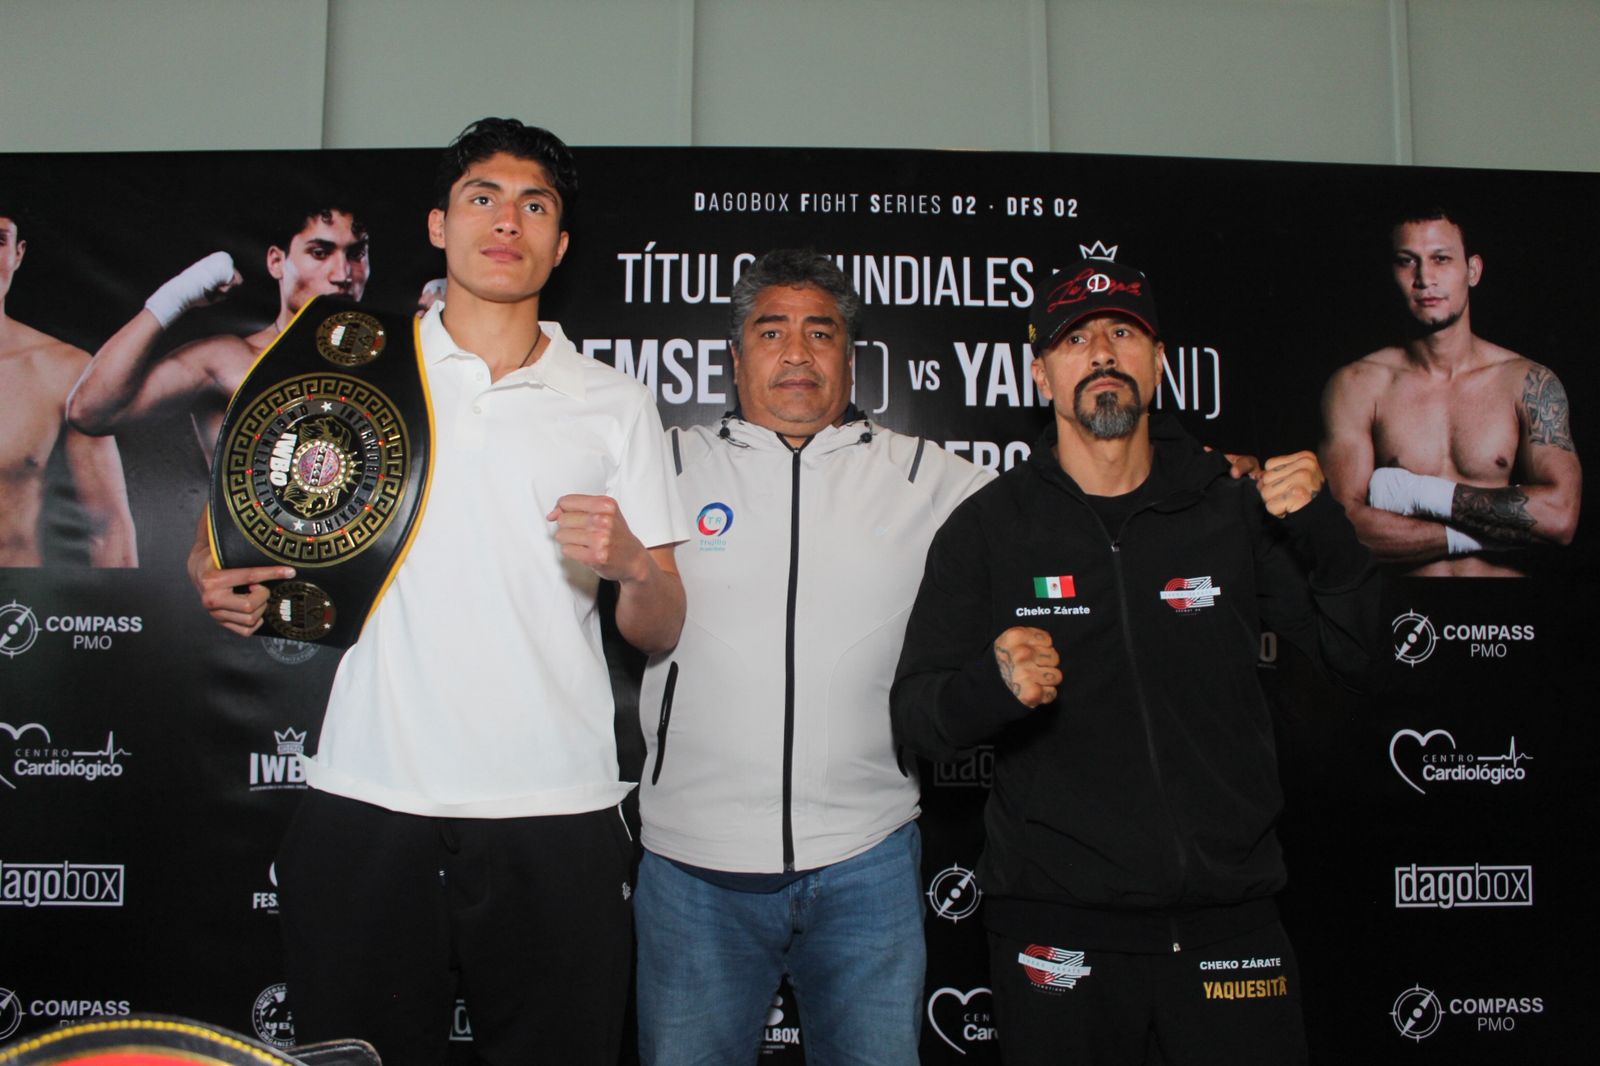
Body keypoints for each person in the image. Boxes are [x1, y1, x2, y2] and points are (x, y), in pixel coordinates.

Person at [186, 118, 688, 1066]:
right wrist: (219, 580)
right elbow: (224, 544)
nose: (507, 221)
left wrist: (632, 565)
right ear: (438, 225)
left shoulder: (613, 402)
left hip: (556, 806)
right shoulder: (351, 367)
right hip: (369, 795)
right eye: (482, 198)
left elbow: (663, 623)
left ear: (561, 242)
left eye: (534, 205)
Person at [892, 257, 1382, 1066]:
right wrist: (990, 688)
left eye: (1123, 332)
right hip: (1057, 934)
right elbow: (916, 716)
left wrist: (1326, 532)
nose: (1102, 353)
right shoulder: (989, 529)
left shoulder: (1231, 507)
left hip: (1231, 927)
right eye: (1074, 339)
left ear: (1158, 361)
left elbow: (1360, 657)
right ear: (1041, 374)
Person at [633, 249, 992, 1065]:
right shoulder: (664, 466)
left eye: (820, 332)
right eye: (772, 332)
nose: (797, 352)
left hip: (868, 861)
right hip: (693, 870)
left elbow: (1063, 507)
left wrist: (1200, 475)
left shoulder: (929, 478)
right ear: (735, 358)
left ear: (850, 356)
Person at [1320, 207, 1581, 576]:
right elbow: (1342, 532)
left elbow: (1560, 515)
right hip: (1406, 605)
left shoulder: (1527, 382)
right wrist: (1487, 536)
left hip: (1506, 608)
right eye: (1407, 261)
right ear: (1391, 272)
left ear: (1472, 271)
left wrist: (1415, 494)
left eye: (1441, 259)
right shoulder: (1357, 386)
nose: (1424, 278)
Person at [67, 199, 372, 465]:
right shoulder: (229, 360)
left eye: (356, 254)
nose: (342, 275)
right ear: (276, 262)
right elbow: (90, 412)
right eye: (320, 253)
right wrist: (174, 297)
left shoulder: (389, 362)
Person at [0, 206, 137, 567]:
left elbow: (110, 529)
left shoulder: (63, 370)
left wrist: (120, 602)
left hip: (19, 596)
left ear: (17, 253)